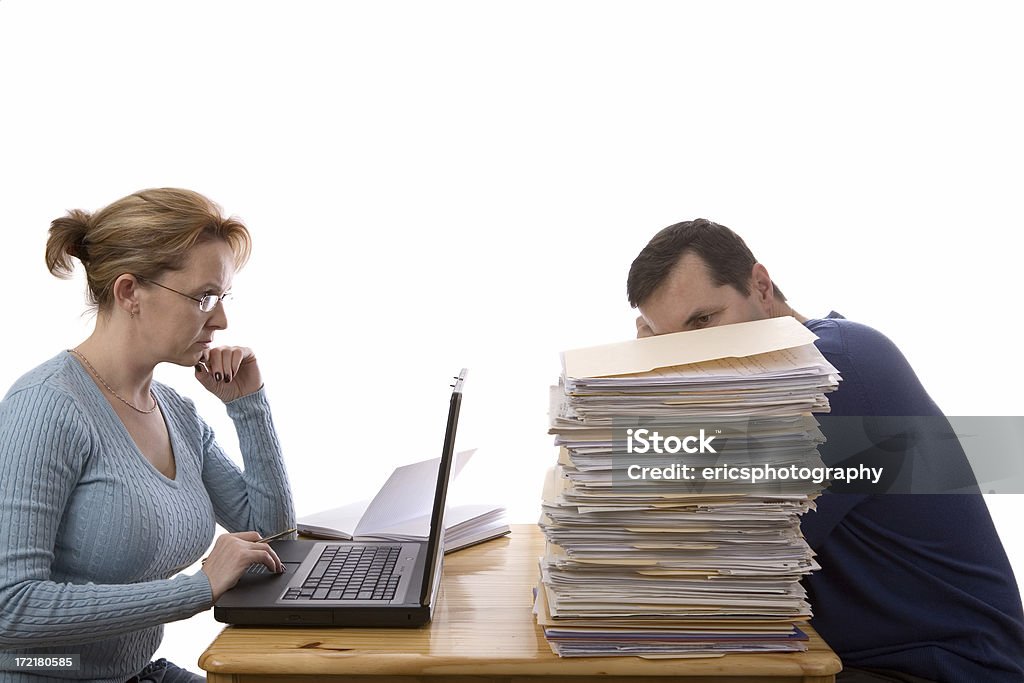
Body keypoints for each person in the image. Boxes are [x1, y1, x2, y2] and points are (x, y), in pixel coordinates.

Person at [626, 219, 1024, 683]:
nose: (693, 357)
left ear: (760, 286)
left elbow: (711, 556)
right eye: (673, 342)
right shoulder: (758, 391)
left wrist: (650, 388)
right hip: (855, 657)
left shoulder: (835, 369)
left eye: (704, 321)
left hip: (944, 669)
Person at [0, 189, 296, 682]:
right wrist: (197, 588)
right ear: (129, 292)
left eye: (221, 298)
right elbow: (9, 608)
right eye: (204, 297)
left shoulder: (175, 413)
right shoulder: (47, 408)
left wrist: (249, 406)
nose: (221, 319)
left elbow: (273, 538)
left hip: (138, 673)